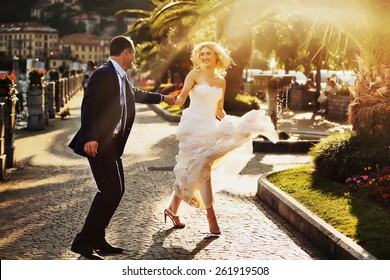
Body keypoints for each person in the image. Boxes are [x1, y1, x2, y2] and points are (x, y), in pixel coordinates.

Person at [68, 35, 176, 260]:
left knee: (116, 191)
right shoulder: (102, 74)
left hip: (112, 144)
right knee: (110, 191)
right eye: (133, 53)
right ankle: (83, 242)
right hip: (98, 143)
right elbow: (89, 106)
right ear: (126, 53)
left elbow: (135, 94)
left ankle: (97, 238)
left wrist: (163, 98)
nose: (134, 57)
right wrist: (90, 137)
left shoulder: (120, 76)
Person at [164, 42, 278, 235]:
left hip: (210, 128)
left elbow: (219, 110)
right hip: (192, 129)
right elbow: (182, 99)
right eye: (202, 54)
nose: (205, 57)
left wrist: (233, 125)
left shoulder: (221, 82)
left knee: (195, 169)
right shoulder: (194, 74)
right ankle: (211, 218)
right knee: (199, 170)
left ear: (217, 56)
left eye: (208, 53)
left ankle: (172, 210)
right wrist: (163, 98)